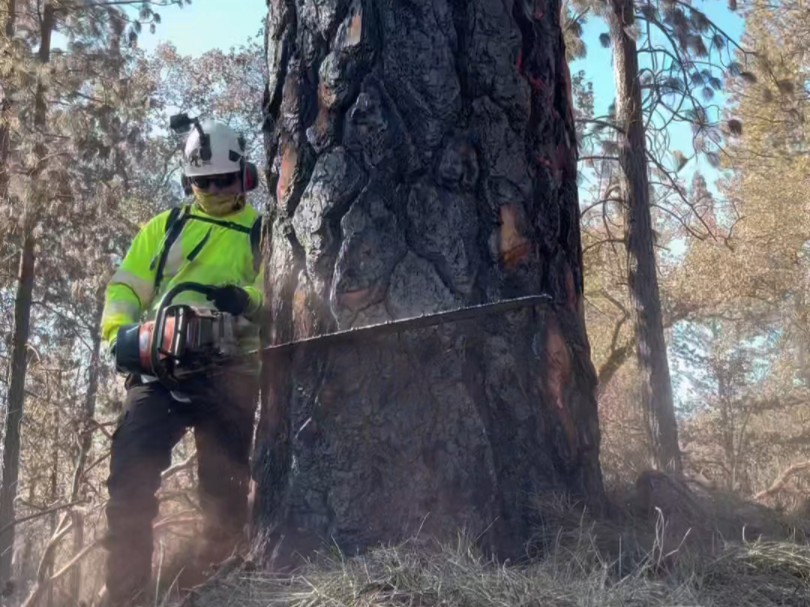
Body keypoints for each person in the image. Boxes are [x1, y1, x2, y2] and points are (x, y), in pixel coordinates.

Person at [98, 119, 264, 606]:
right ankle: (125, 595)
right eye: (203, 182)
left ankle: (216, 590)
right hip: (159, 370)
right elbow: (126, 286)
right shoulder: (165, 227)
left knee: (225, 493)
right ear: (189, 181)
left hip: (231, 374)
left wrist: (245, 299)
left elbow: (281, 300)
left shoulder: (262, 233)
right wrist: (122, 336)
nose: (213, 190)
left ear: (243, 176)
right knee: (129, 485)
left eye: (223, 180)